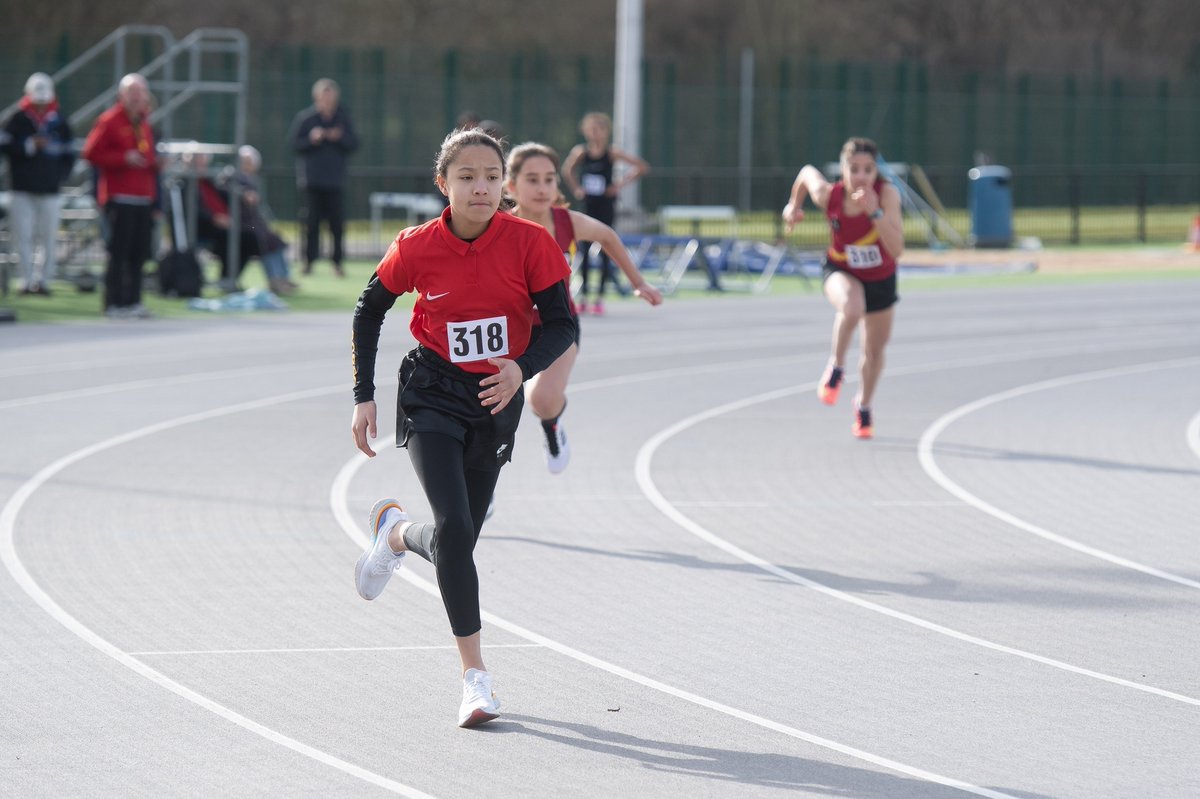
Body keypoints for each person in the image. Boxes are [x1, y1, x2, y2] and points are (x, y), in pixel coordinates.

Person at [349, 128, 576, 728]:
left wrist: (520, 368)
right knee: (453, 527)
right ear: (443, 184)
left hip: (497, 396)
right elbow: (369, 311)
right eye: (467, 177)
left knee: (460, 540)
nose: (481, 188)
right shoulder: (417, 246)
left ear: (504, 185)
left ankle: (396, 535)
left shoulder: (530, 243)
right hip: (432, 391)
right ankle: (475, 680)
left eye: (492, 177)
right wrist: (364, 397)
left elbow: (562, 325)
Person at [506, 141, 662, 473]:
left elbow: (607, 236)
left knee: (541, 400)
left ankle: (552, 426)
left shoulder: (566, 222)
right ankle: (479, 485)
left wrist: (638, 282)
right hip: (509, 326)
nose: (542, 188)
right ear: (511, 185)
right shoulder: (499, 226)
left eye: (549, 179)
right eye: (532, 180)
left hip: (557, 325)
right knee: (488, 410)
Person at [781, 136, 903, 439]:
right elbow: (806, 173)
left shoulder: (887, 195)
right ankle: (835, 366)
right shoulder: (829, 195)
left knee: (874, 352)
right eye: (854, 169)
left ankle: (863, 405)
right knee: (851, 307)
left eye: (868, 170)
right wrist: (793, 205)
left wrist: (875, 213)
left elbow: (897, 249)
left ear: (875, 172)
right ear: (843, 170)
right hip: (841, 269)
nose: (861, 176)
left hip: (880, 279)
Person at [82, 73, 159, 319]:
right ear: (122, 96)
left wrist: (156, 164)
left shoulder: (143, 122)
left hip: (143, 197)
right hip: (119, 197)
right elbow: (90, 153)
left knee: (139, 252)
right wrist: (122, 158)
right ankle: (113, 303)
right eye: (132, 93)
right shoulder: (109, 120)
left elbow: (147, 157)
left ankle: (133, 301)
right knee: (119, 252)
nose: (137, 98)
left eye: (140, 93)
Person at [561, 111, 649, 316]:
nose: (595, 133)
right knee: (584, 250)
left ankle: (599, 297)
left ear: (606, 131)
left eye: (599, 129)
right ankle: (583, 296)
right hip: (588, 205)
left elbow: (641, 167)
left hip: (606, 205)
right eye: (591, 129)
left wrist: (618, 185)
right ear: (585, 131)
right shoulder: (581, 152)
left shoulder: (612, 153)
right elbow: (567, 170)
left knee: (604, 250)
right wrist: (577, 188)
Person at [2, 72, 75, 296]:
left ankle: (44, 282)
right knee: (22, 236)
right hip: (21, 189)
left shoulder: (60, 121)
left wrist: (58, 177)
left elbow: (69, 155)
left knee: (48, 237)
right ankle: (25, 280)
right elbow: (5, 146)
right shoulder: (17, 119)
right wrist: (29, 145)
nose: (41, 106)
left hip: (51, 190)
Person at [289, 78, 358, 278]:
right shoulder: (306, 119)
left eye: (331, 97)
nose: (327, 101)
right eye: (324, 97)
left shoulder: (343, 118)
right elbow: (294, 144)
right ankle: (308, 261)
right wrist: (312, 139)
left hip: (335, 181)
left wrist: (339, 137)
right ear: (317, 98)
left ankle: (337, 263)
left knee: (337, 224)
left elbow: (354, 143)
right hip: (312, 181)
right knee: (311, 223)